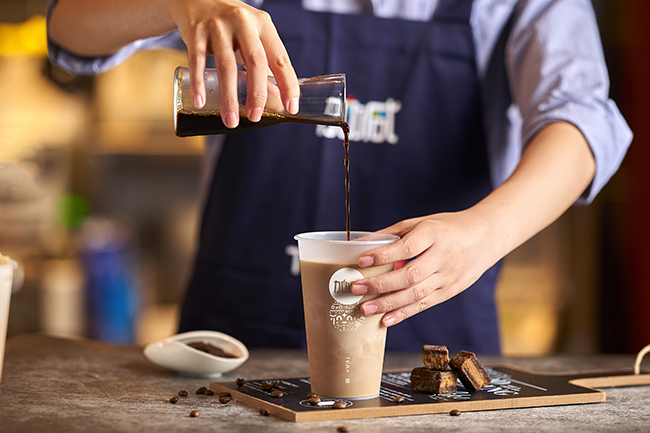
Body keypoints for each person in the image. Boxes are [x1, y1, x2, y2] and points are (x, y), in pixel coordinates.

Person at [47, 0, 631, 354]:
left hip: (428, 341)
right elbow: (70, 31)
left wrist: (484, 234)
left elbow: (581, 122)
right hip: (235, 344)